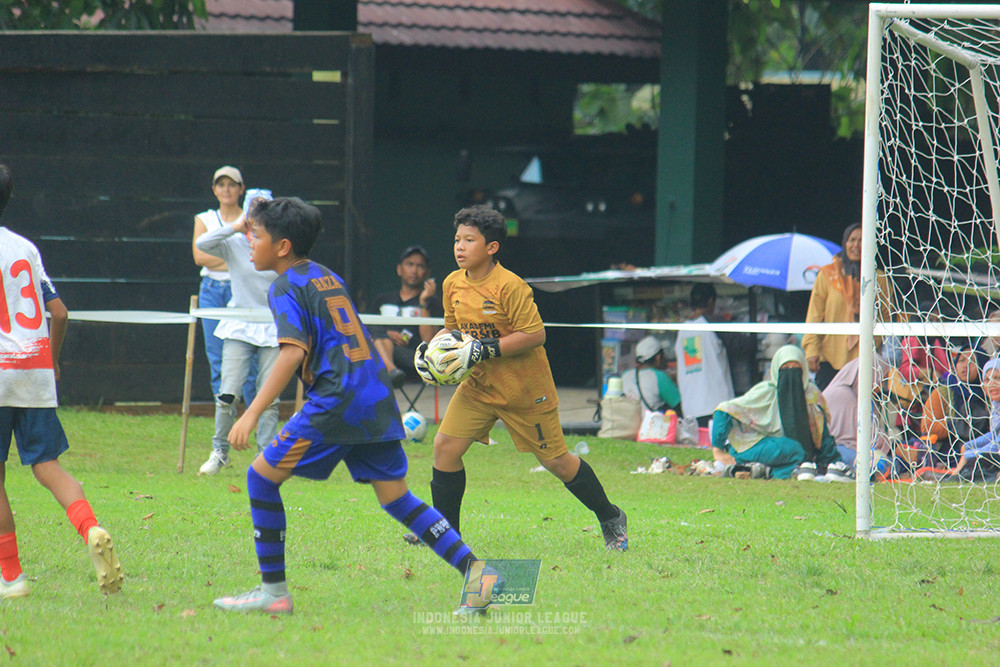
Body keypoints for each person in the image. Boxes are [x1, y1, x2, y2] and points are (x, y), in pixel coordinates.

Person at [212, 197, 485, 614]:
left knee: (260, 479)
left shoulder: (286, 285)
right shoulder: (324, 275)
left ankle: (274, 595)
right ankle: (481, 577)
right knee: (396, 498)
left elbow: (289, 353)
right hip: (374, 396)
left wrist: (249, 413)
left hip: (337, 400)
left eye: (258, 234)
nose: (250, 240)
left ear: (282, 246)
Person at [414, 205, 628, 550]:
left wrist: (483, 349)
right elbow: (452, 332)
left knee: (557, 462)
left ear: (492, 247)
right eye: (457, 239)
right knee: (445, 447)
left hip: (525, 390)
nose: (460, 247)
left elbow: (534, 335)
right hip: (479, 387)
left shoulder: (510, 286)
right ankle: (446, 534)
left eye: (470, 240)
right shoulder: (453, 283)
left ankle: (610, 516)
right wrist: (433, 353)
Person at [0, 164, 123, 598]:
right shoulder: (25, 248)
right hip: (32, 371)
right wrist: (49, 361)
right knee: (47, 466)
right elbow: (60, 312)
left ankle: (11, 576)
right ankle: (91, 528)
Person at [194, 191, 280, 474]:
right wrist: (235, 225)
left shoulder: (278, 245)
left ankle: (265, 457)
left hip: (272, 327)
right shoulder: (233, 243)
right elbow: (202, 244)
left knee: (268, 397)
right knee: (227, 393)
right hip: (239, 325)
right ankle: (220, 451)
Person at [711, 345, 853, 481]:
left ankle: (764, 471)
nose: (791, 372)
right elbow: (724, 410)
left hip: (793, 452)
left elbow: (822, 434)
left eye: (796, 368)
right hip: (753, 445)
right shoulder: (765, 392)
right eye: (785, 368)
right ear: (776, 370)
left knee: (800, 454)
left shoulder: (811, 395)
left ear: (803, 370)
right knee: (795, 450)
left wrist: (832, 462)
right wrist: (717, 451)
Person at [192, 166, 256, 403]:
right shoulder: (205, 218)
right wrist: (236, 261)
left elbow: (255, 259)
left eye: (232, 184)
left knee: (250, 351)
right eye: (221, 185)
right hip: (211, 290)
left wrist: (225, 261)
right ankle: (225, 414)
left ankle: (252, 412)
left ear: (241, 189)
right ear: (214, 189)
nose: (226, 190)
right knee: (216, 354)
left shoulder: (251, 220)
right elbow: (200, 257)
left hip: (241, 291)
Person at [802, 223, 893, 390]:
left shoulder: (879, 279)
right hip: (830, 360)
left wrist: (873, 343)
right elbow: (814, 316)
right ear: (845, 243)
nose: (856, 245)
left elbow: (887, 317)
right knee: (830, 413)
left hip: (865, 360)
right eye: (852, 240)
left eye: (861, 240)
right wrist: (811, 350)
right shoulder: (827, 276)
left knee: (862, 413)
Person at [369, 245, 444, 389]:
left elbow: (428, 341)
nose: (414, 271)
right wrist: (388, 335)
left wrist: (423, 303)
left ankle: (390, 372)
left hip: (415, 358)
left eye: (420, 266)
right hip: (382, 354)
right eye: (410, 264)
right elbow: (369, 331)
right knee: (372, 328)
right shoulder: (383, 300)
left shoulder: (432, 302)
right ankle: (392, 371)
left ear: (427, 273)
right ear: (399, 269)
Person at [675, 283, 739, 427]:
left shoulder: (682, 329)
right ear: (711, 301)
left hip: (691, 408)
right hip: (716, 404)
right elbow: (742, 344)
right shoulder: (713, 321)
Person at [921, 343, 991, 468]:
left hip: (983, 449)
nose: (965, 366)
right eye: (961, 360)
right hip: (947, 453)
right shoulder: (944, 392)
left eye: (972, 361)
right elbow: (927, 426)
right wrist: (958, 424)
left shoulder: (991, 393)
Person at [822, 356, 892, 468]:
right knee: (877, 464)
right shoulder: (844, 394)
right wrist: (895, 447)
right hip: (836, 449)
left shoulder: (859, 395)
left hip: (846, 448)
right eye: (881, 380)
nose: (882, 386)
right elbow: (866, 433)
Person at [947, 358, 1000, 480]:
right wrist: (967, 447)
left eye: (997, 378)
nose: (992, 383)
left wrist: (969, 454)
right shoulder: (995, 407)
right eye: (987, 379)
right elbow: (994, 435)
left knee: (975, 462)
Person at [622, 335, 682, 415]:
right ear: (658, 357)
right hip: (649, 425)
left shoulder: (625, 375)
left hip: (627, 422)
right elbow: (678, 405)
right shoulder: (659, 376)